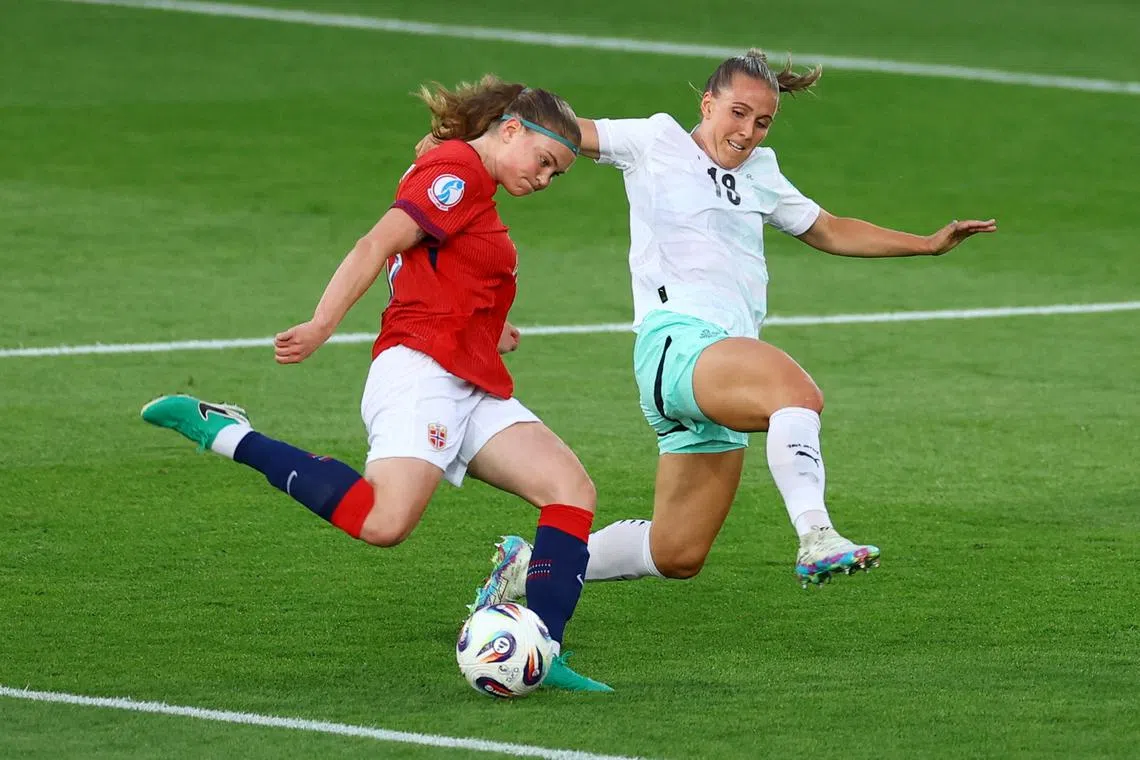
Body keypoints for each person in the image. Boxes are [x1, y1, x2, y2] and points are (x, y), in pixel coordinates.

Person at [454, 49, 996, 607]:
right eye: (738, 113)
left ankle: (529, 569)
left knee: (676, 553)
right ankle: (817, 534)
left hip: (720, 366)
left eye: (762, 122)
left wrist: (926, 245)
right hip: (679, 343)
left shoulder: (762, 173)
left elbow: (829, 229)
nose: (747, 132)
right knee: (795, 394)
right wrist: (464, 146)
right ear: (707, 103)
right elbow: (553, 129)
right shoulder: (655, 140)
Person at [140, 76, 612, 692]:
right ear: (511, 129)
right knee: (383, 522)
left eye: (557, 174)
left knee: (569, 489)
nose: (545, 179)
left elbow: (437, 267)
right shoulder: (459, 172)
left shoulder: (470, 180)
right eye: (544, 161)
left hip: (467, 373)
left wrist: (489, 326)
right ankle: (229, 433)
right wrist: (321, 324)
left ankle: (544, 650)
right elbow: (376, 244)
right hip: (422, 372)